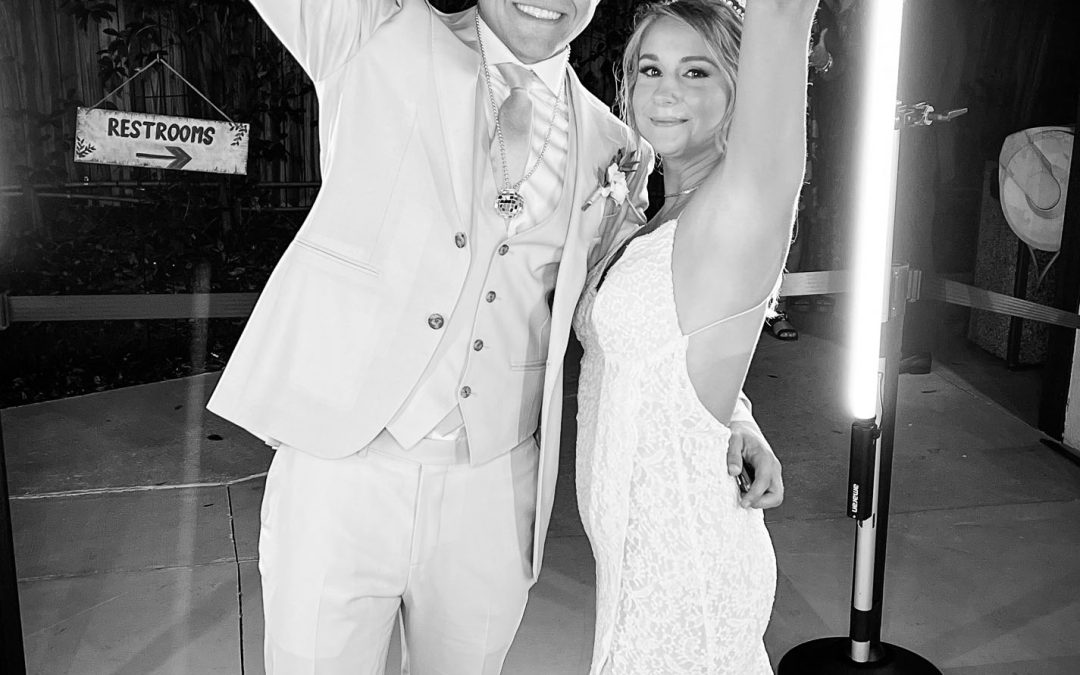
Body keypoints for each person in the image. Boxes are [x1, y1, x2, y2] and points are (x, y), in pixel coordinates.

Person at [206, 0, 777, 672]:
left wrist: (731, 413)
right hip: (341, 469)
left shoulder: (617, 148)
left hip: (493, 493)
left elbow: (638, 310)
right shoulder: (376, 32)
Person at [573, 0, 814, 671]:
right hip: (632, 567)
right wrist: (736, 414)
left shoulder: (739, 207)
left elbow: (782, 14)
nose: (666, 90)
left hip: (687, 571)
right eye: (650, 69)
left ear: (741, 87)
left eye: (697, 71)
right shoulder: (655, 213)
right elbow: (669, 353)